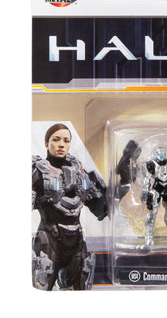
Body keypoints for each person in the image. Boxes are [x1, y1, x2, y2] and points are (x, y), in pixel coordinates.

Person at [32, 123, 107, 290]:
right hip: (48, 242)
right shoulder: (37, 172)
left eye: (66, 141)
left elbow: (101, 209)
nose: (61, 144)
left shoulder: (80, 173)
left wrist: (122, 181)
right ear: (46, 144)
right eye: (56, 140)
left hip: (77, 244)